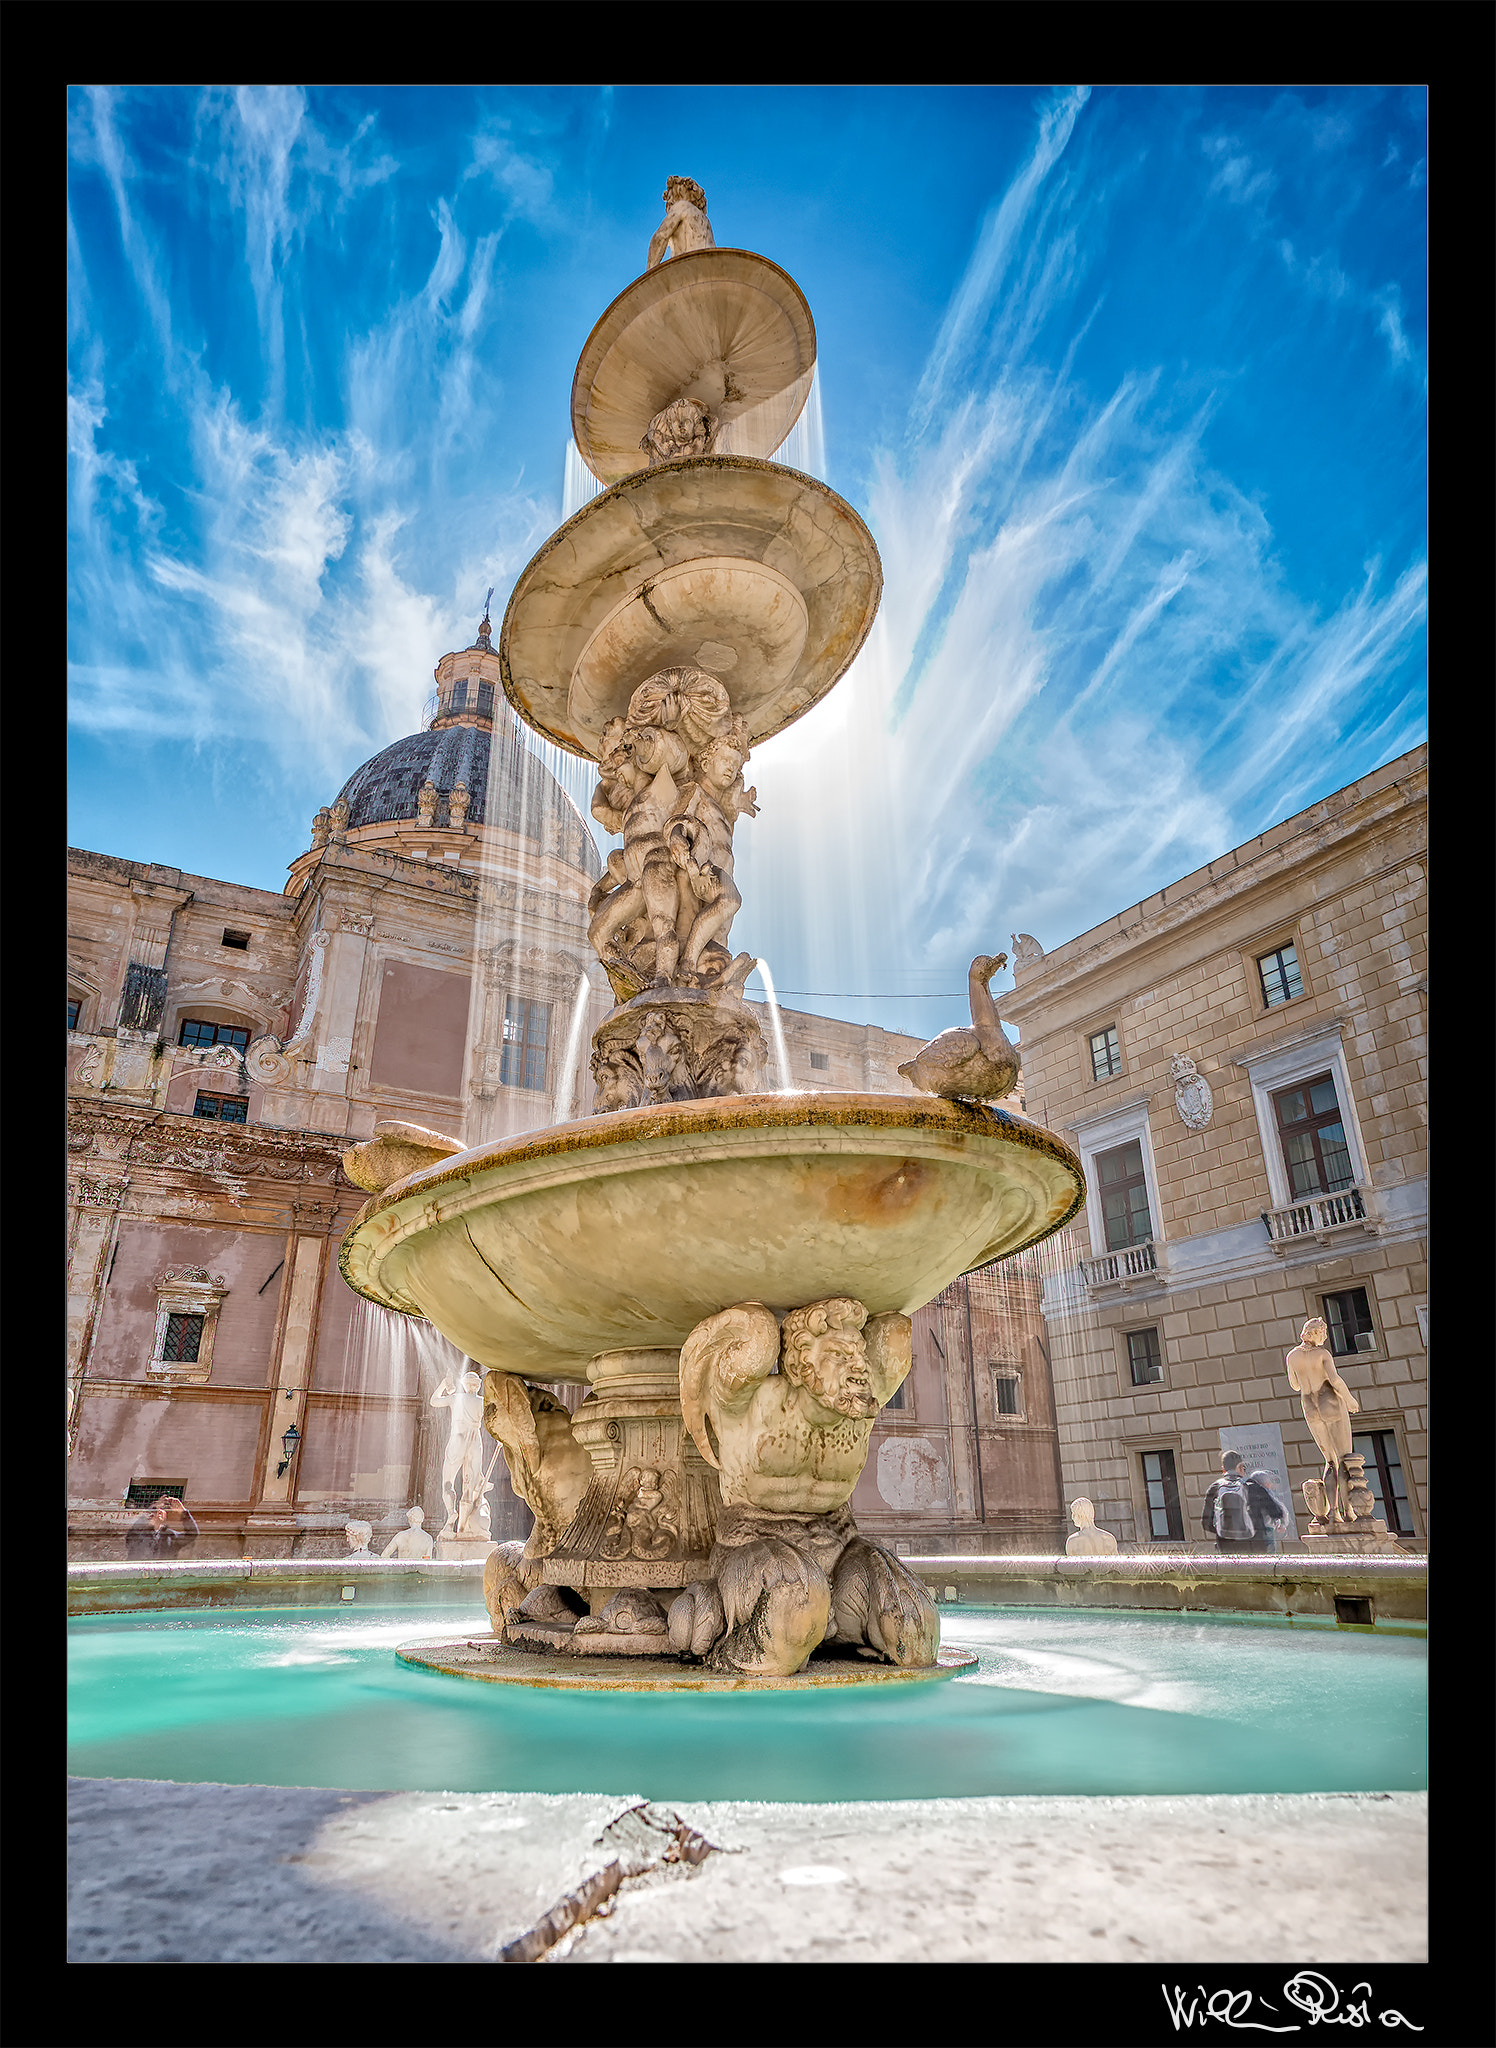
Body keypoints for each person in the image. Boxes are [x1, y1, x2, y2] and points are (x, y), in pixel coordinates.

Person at [1200, 1453, 1271, 1553]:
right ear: (1241, 1467)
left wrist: (1225, 1529)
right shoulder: (1252, 1487)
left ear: (1223, 1469)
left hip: (1226, 1547)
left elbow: (1206, 1523)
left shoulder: (1215, 1487)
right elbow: (1275, 1512)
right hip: (1254, 1546)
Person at [124, 1496, 200, 1561]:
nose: (159, 1511)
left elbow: (192, 1534)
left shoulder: (170, 1536)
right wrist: (150, 1525)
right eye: (155, 1509)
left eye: (162, 1509)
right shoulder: (137, 1533)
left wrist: (183, 1513)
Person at [1246, 1469, 1289, 1553]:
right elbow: (1281, 1508)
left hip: (1251, 1529)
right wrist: (1283, 1524)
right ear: (1266, 1484)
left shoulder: (1247, 1491)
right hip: (1266, 1528)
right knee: (1269, 1555)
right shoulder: (1265, 1492)